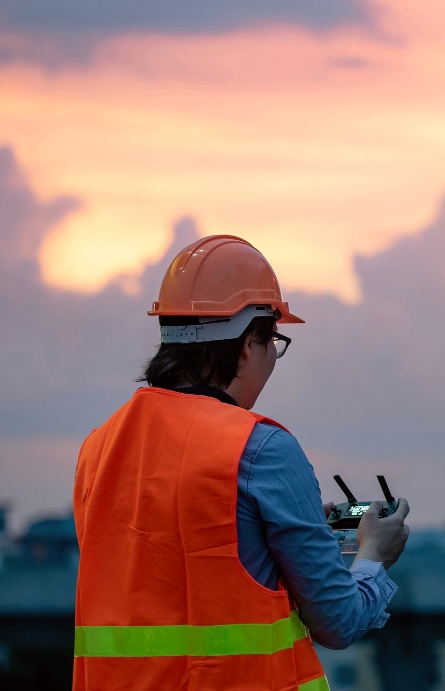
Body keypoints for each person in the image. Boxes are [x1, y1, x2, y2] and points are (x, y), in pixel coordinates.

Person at [73, 235, 409, 691]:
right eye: (274, 341)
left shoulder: (98, 449)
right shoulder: (261, 449)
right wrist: (373, 554)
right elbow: (338, 621)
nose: (273, 359)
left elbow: (171, 586)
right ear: (249, 342)